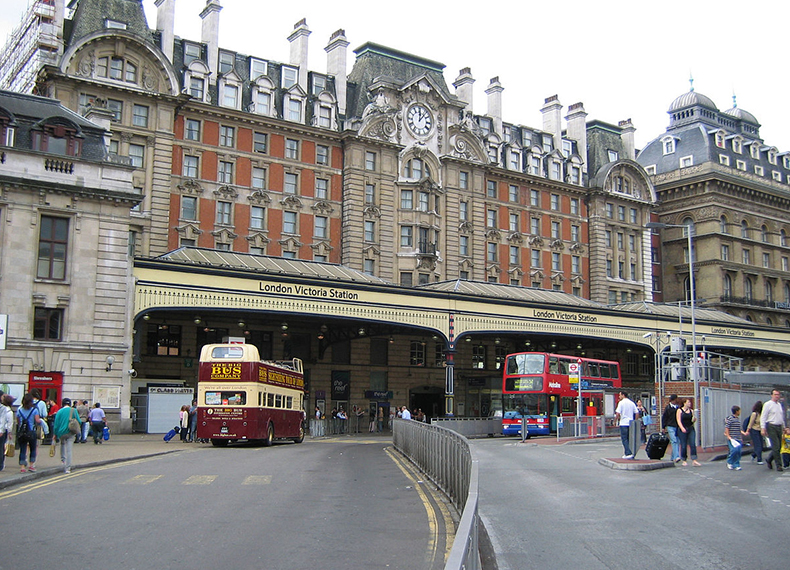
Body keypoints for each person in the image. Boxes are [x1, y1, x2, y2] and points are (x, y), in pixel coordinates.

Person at [16, 393, 44, 472]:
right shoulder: (34, 410)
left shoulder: (19, 410)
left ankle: (22, 467)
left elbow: (18, 421)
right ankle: (31, 465)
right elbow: (37, 420)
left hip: (22, 432)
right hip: (31, 431)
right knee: (33, 448)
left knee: (23, 449)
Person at [761, 389, 785, 472]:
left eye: (778, 394)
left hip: (779, 426)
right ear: (771, 395)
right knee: (776, 446)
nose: (777, 396)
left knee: (779, 446)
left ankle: (769, 458)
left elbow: (781, 417)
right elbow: (763, 416)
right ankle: (779, 465)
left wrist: (784, 427)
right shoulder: (768, 404)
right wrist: (763, 428)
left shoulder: (779, 405)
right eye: (775, 394)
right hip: (771, 425)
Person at [53, 398, 79, 473]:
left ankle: (63, 461)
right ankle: (68, 467)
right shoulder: (73, 410)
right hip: (70, 432)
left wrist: (55, 434)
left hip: (61, 432)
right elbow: (79, 420)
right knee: (69, 449)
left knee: (62, 445)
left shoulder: (59, 411)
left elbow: (56, 425)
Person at [676, 398, 701, 467]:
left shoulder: (691, 411)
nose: (689, 403)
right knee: (683, 445)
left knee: (692, 444)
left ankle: (694, 459)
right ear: (684, 403)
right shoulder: (679, 410)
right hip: (683, 428)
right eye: (688, 402)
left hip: (690, 428)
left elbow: (692, 420)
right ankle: (684, 460)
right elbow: (678, 420)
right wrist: (682, 428)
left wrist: (694, 419)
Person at [614, 391, 638, 459]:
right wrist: (635, 421)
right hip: (630, 423)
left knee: (624, 439)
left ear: (623, 395)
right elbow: (637, 413)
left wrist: (615, 421)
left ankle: (628, 453)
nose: (619, 396)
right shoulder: (631, 403)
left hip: (624, 423)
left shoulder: (621, 403)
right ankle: (627, 452)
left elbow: (618, 413)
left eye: (620, 395)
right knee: (629, 439)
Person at [724, 405, 746, 471]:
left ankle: (736, 464)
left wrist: (742, 435)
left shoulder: (738, 419)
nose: (740, 412)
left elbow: (739, 429)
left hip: (738, 438)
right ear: (736, 411)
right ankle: (730, 461)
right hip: (732, 438)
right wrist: (728, 436)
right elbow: (727, 428)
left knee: (738, 452)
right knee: (734, 450)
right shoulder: (730, 419)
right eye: (739, 411)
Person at [661, 394, 681, 463]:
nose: (676, 401)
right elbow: (664, 417)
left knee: (677, 441)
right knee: (674, 440)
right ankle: (677, 456)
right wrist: (663, 427)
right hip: (670, 426)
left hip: (677, 426)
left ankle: (673, 457)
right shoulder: (668, 408)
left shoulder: (678, 408)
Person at [0, 394, 15, 472]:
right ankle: (1, 465)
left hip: (2, 429)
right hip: (3, 430)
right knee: (2, 447)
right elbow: (10, 423)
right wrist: (10, 433)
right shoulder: (9, 411)